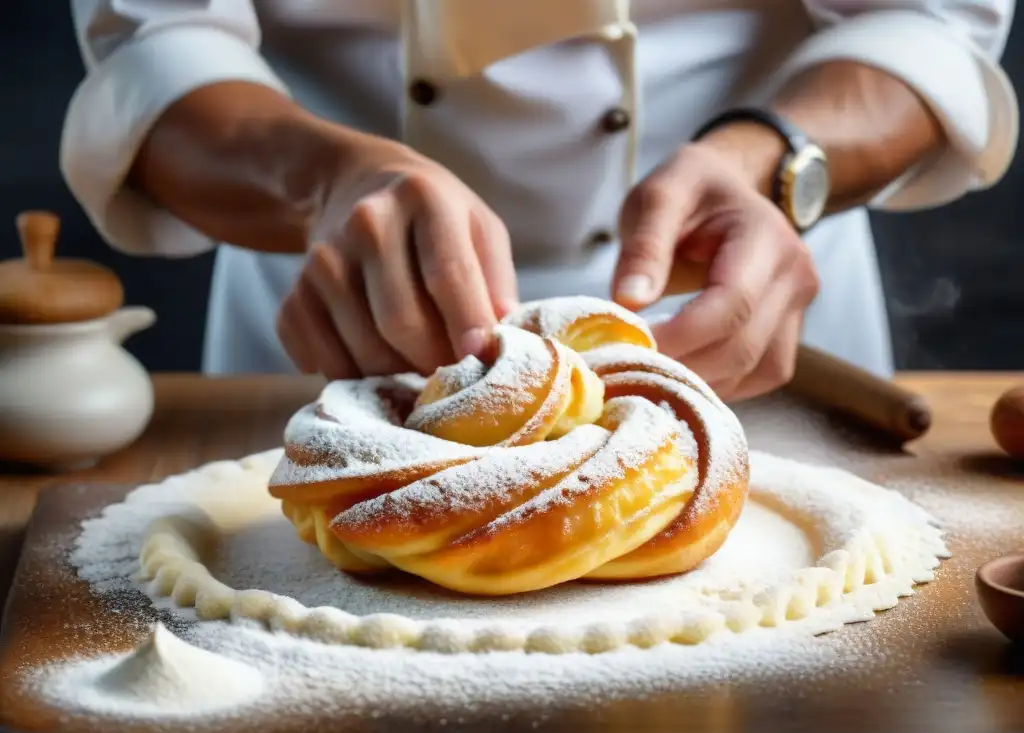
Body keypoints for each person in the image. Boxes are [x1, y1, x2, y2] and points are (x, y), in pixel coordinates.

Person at [62, 1, 1018, 402]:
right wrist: (328, 183)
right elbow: (157, 50)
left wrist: (774, 163)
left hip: (754, 323)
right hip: (330, 315)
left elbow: (923, 24)